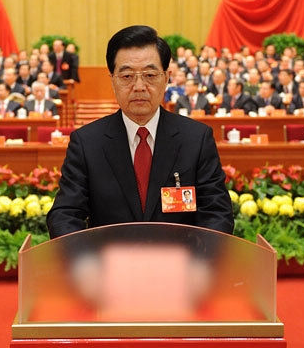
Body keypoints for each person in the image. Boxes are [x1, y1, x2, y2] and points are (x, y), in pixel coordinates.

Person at [47, 25, 233, 237]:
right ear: (112, 81)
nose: (139, 86)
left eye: (150, 75)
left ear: (166, 78)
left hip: (178, 265)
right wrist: (84, 262)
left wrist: (199, 261)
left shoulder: (196, 139)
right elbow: (65, 214)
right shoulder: (87, 142)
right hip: (110, 266)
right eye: (127, 76)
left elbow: (217, 212)